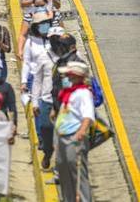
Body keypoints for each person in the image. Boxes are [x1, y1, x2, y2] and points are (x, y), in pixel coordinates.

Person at [54, 61, 95, 202]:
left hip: (75, 137)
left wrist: (82, 131)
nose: (66, 78)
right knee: (64, 170)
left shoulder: (84, 93)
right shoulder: (69, 93)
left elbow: (88, 115)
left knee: (77, 172)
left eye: (69, 75)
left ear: (76, 76)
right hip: (63, 137)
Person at [21, 10, 56, 169]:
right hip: (37, 82)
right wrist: (23, 81)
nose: (44, 27)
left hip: (55, 86)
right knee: (40, 115)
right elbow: (27, 63)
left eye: (46, 24)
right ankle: (43, 140)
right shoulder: (30, 42)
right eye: (41, 24)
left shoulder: (54, 41)